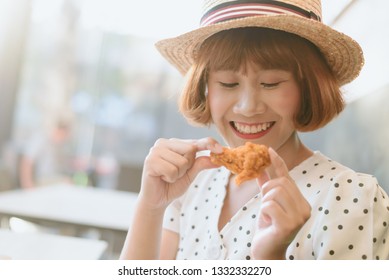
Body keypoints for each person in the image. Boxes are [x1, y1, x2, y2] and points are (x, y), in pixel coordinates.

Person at [120, 0, 389, 260]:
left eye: (271, 83)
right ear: (205, 89)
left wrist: (271, 259)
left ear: (307, 88)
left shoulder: (352, 197)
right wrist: (150, 206)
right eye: (227, 83)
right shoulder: (192, 184)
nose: (248, 107)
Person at [19, 118, 73, 189]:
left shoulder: (59, 146)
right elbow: (26, 162)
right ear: (57, 130)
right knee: (66, 183)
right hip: (41, 180)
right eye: (63, 134)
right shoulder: (40, 139)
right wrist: (28, 186)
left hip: (53, 179)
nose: (64, 138)